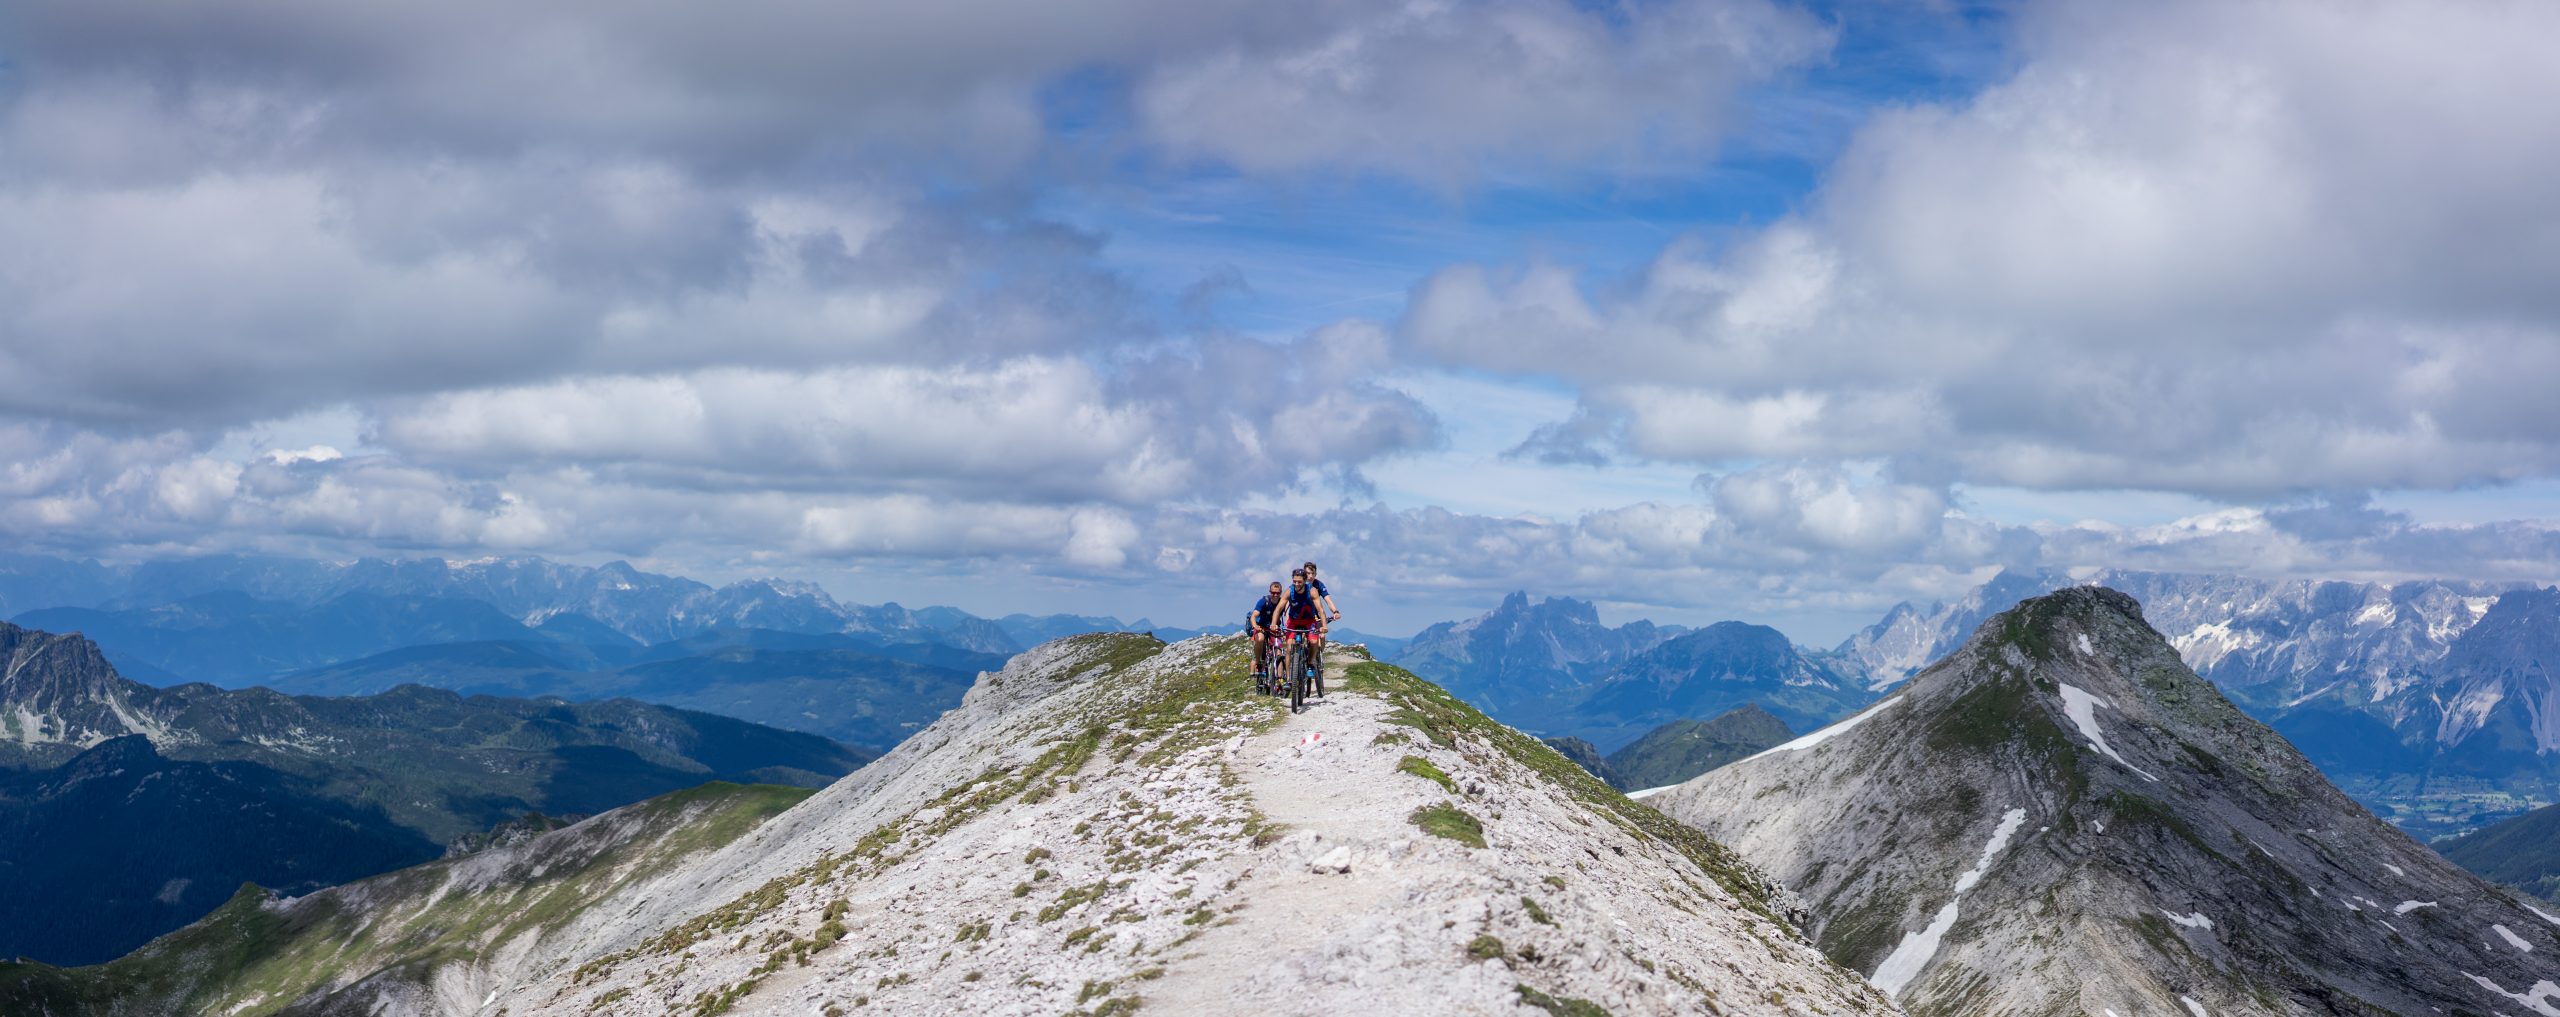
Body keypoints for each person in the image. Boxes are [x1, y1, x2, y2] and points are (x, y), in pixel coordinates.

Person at [1265, 568, 1328, 692]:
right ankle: (1289, 678)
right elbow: (1278, 608)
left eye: (1299, 582)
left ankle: (1310, 665)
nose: (1296, 584)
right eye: (1294, 581)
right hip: (1293, 622)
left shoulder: (1312, 591)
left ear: (1305, 581)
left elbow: (1320, 610)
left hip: (1309, 622)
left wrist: (1324, 625)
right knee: (1289, 647)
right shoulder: (1289, 591)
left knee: (1314, 642)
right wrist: (1273, 623)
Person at [1248, 580, 1283, 690]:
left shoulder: (1282, 602)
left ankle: (1280, 679)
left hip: (1275, 628)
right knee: (1260, 639)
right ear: (1270, 592)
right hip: (1262, 627)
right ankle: (1258, 661)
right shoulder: (1264, 601)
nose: (1275, 595)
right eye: (1273, 593)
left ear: (1280, 592)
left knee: (1279, 653)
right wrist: (1255, 626)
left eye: (1277, 593)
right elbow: (1254, 616)